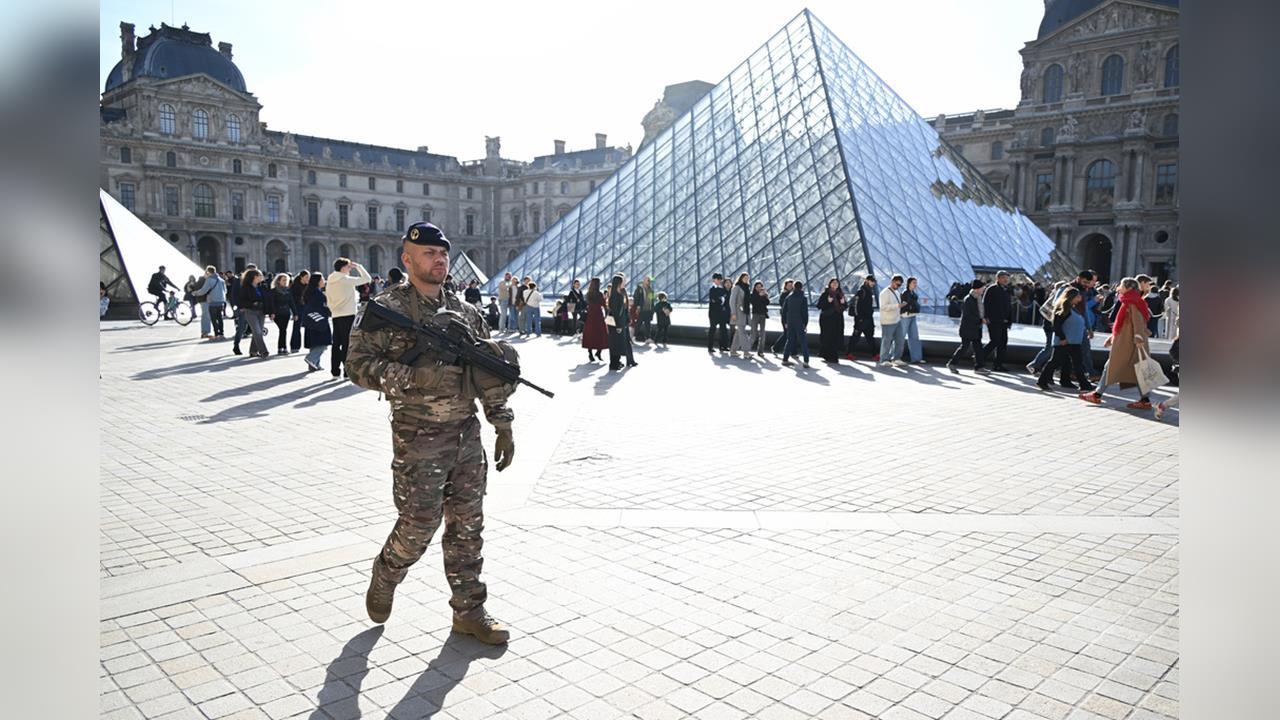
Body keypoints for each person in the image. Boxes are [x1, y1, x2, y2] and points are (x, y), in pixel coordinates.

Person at [345, 221, 516, 644]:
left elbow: (488, 373)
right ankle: (386, 572)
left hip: (465, 436)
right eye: (428, 254)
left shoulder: (465, 312)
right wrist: (412, 377)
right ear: (408, 258)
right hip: (417, 437)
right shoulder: (387, 309)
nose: (438, 260)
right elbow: (356, 367)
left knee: (467, 526)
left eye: (443, 253)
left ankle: (469, 611)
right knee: (419, 524)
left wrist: (502, 423)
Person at [1080, 277, 1154, 408]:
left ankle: (1097, 395)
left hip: (1130, 343)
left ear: (1129, 288)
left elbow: (1137, 321)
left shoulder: (1131, 302)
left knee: (1113, 366)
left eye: (1121, 285)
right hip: (1128, 342)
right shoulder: (1133, 300)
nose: (1119, 287)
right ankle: (1145, 400)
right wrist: (1113, 337)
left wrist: (1138, 337)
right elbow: (1127, 323)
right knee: (1137, 370)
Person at [1036, 288, 1090, 391]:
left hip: (1074, 342)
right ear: (1071, 297)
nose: (1080, 298)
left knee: (1077, 362)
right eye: (1078, 296)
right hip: (1064, 342)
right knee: (1055, 362)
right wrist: (1062, 337)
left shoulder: (1073, 308)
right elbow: (1056, 325)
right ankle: (1042, 381)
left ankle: (1083, 384)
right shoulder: (1063, 309)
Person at [326, 257, 372, 378]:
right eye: (348, 267)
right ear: (342, 268)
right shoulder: (345, 279)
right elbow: (367, 279)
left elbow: (328, 298)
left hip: (336, 314)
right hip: (348, 314)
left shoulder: (330, 280)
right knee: (347, 343)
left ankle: (335, 371)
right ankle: (347, 371)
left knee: (336, 343)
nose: (349, 269)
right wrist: (358, 267)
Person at [947, 280, 990, 374]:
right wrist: (980, 320)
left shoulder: (977, 298)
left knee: (978, 348)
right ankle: (952, 363)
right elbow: (967, 315)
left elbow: (979, 312)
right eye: (983, 288)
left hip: (976, 327)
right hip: (968, 328)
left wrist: (982, 319)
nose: (984, 289)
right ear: (978, 289)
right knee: (964, 347)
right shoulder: (969, 299)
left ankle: (979, 367)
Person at [982, 271, 1013, 371]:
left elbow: (1009, 306)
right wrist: (985, 317)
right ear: (998, 278)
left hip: (1004, 321)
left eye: (1007, 278)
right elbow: (985, 303)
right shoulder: (991, 289)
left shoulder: (1007, 290)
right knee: (995, 341)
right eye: (1004, 277)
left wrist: (1009, 320)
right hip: (994, 320)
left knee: (1003, 343)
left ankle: (998, 364)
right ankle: (979, 357)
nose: (1006, 280)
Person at [235, 269, 270, 358]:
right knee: (258, 331)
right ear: (255, 277)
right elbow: (240, 301)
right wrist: (252, 304)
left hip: (261, 312)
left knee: (257, 332)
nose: (262, 277)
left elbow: (267, 298)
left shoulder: (262, 286)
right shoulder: (245, 287)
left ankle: (253, 351)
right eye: (260, 275)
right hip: (250, 311)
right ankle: (263, 351)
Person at [300, 273, 330, 371]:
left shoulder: (311, 291)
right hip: (318, 319)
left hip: (311, 320)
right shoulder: (316, 293)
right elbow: (318, 306)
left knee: (315, 342)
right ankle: (311, 358)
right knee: (323, 342)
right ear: (317, 282)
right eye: (322, 280)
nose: (324, 281)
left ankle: (314, 364)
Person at [607, 274, 637, 370]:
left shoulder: (614, 295)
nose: (625, 283)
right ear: (619, 283)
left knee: (615, 343)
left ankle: (616, 362)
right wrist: (619, 325)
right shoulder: (618, 296)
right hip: (618, 323)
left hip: (616, 323)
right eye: (623, 281)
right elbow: (618, 312)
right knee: (616, 343)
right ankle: (614, 363)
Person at [878, 274, 907, 367]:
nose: (898, 287)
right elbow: (883, 307)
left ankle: (896, 358)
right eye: (897, 284)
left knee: (900, 340)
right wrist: (897, 306)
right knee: (887, 340)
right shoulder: (884, 293)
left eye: (900, 285)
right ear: (892, 282)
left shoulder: (897, 292)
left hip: (897, 319)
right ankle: (884, 359)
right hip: (887, 321)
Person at [780, 281, 810, 368]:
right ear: (802, 287)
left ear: (793, 287)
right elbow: (805, 313)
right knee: (803, 341)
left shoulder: (789, 297)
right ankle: (806, 361)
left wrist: (785, 322)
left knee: (790, 340)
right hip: (799, 321)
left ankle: (785, 359)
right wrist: (805, 324)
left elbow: (783, 311)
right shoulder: (803, 298)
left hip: (790, 321)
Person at [816, 278, 846, 363]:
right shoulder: (825, 294)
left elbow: (844, 306)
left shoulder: (840, 294)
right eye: (833, 283)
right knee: (828, 336)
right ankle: (831, 355)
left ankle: (829, 354)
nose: (835, 284)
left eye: (836, 283)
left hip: (837, 319)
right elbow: (819, 306)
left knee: (836, 336)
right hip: (827, 319)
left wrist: (843, 303)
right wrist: (828, 302)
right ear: (830, 284)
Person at [848, 275, 877, 360]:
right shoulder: (861, 291)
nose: (873, 283)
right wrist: (859, 318)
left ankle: (875, 354)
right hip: (861, 319)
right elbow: (856, 306)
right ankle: (849, 352)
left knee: (870, 337)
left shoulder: (869, 291)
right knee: (856, 337)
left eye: (874, 281)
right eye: (872, 281)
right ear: (867, 281)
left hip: (868, 318)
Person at [192, 266, 226, 339]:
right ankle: (222, 333)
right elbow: (225, 291)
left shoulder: (209, 279)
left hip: (213, 301)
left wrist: (195, 293)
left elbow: (203, 291)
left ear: (208, 272)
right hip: (221, 302)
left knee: (213, 318)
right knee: (220, 318)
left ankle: (216, 334)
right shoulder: (221, 280)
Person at [582, 277, 608, 362]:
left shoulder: (588, 294)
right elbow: (604, 304)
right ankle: (598, 352)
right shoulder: (599, 294)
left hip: (590, 317)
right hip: (598, 316)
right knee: (601, 334)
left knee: (590, 335)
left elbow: (585, 304)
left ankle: (590, 353)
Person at [268, 273, 294, 355]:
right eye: (283, 280)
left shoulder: (288, 291)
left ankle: (282, 348)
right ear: (278, 281)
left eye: (286, 280)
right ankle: (282, 347)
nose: (285, 282)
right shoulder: (273, 291)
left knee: (283, 330)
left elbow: (291, 303)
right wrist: (271, 313)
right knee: (282, 330)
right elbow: (271, 303)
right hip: (277, 313)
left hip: (286, 313)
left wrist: (295, 313)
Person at [728, 272, 753, 357]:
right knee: (742, 332)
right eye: (745, 278)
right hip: (738, 313)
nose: (746, 279)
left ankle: (733, 350)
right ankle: (746, 352)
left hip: (745, 313)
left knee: (739, 333)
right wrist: (733, 313)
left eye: (747, 278)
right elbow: (732, 301)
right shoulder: (737, 288)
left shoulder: (747, 288)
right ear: (741, 278)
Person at [900, 277, 924, 363]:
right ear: (908, 283)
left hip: (912, 315)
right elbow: (902, 305)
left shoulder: (912, 293)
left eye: (916, 283)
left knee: (914, 337)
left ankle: (916, 358)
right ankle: (895, 357)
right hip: (905, 316)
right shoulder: (905, 293)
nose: (915, 284)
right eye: (914, 283)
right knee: (901, 337)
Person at [707, 273, 730, 353]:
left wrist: (719, 299)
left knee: (723, 329)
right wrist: (720, 299)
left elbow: (723, 298)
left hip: (722, 312)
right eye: (718, 279)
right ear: (714, 280)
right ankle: (710, 347)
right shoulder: (712, 289)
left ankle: (723, 346)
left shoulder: (723, 289)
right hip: (713, 313)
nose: (719, 281)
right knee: (712, 329)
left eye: (720, 279)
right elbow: (713, 299)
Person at [772, 279, 794, 356]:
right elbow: (783, 306)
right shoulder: (784, 294)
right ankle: (776, 348)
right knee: (787, 334)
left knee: (789, 334)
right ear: (785, 286)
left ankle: (778, 348)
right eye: (789, 285)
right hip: (786, 317)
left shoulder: (792, 294)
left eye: (791, 285)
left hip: (791, 316)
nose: (790, 286)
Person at [288, 271, 309, 351]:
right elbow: (292, 300)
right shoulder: (294, 286)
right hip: (298, 308)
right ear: (301, 277)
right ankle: (295, 346)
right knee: (297, 327)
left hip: (306, 308)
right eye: (306, 277)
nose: (308, 279)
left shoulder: (308, 286)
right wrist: (294, 312)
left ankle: (310, 345)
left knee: (309, 327)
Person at [748, 282, 769, 358]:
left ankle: (760, 351)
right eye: (757, 287)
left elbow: (767, 303)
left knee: (763, 334)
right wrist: (759, 296)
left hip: (763, 315)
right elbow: (752, 302)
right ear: (755, 287)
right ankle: (747, 350)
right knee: (753, 333)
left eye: (760, 287)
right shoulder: (752, 294)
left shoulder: (764, 294)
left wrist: (765, 295)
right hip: (755, 315)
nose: (759, 288)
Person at [633, 276, 655, 343]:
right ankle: (633, 336)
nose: (648, 281)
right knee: (638, 324)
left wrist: (652, 309)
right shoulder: (639, 289)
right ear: (644, 280)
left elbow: (652, 300)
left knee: (648, 325)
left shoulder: (651, 290)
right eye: (647, 280)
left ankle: (648, 338)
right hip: (641, 310)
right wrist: (637, 306)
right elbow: (636, 298)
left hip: (648, 310)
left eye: (649, 280)